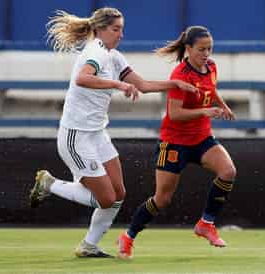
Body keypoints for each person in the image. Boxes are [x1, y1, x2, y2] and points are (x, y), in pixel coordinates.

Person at [29, 7, 197, 258]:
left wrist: (173, 84)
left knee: (118, 194)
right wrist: (118, 84)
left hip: (97, 134)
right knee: (106, 199)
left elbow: (142, 85)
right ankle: (50, 183)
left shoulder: (113, 55)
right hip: (76, 136)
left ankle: (89, 246)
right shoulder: (95, 51)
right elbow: (83, 79)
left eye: (122, 29)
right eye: (116, 29)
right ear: (100, 29)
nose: (120, 34)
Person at [116, 26, 237, 259]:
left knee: (228, 171)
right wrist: (206, 111)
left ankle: (206, 224)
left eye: (209, 49)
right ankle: (129, 236)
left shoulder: (211, 66)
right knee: (162, 199)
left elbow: (210, 90)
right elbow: (175, 113)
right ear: (188, 49)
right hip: (174, 142)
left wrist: (222, 105)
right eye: (201, 49)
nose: (206, 54)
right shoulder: (180, 75)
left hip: (201, 138)